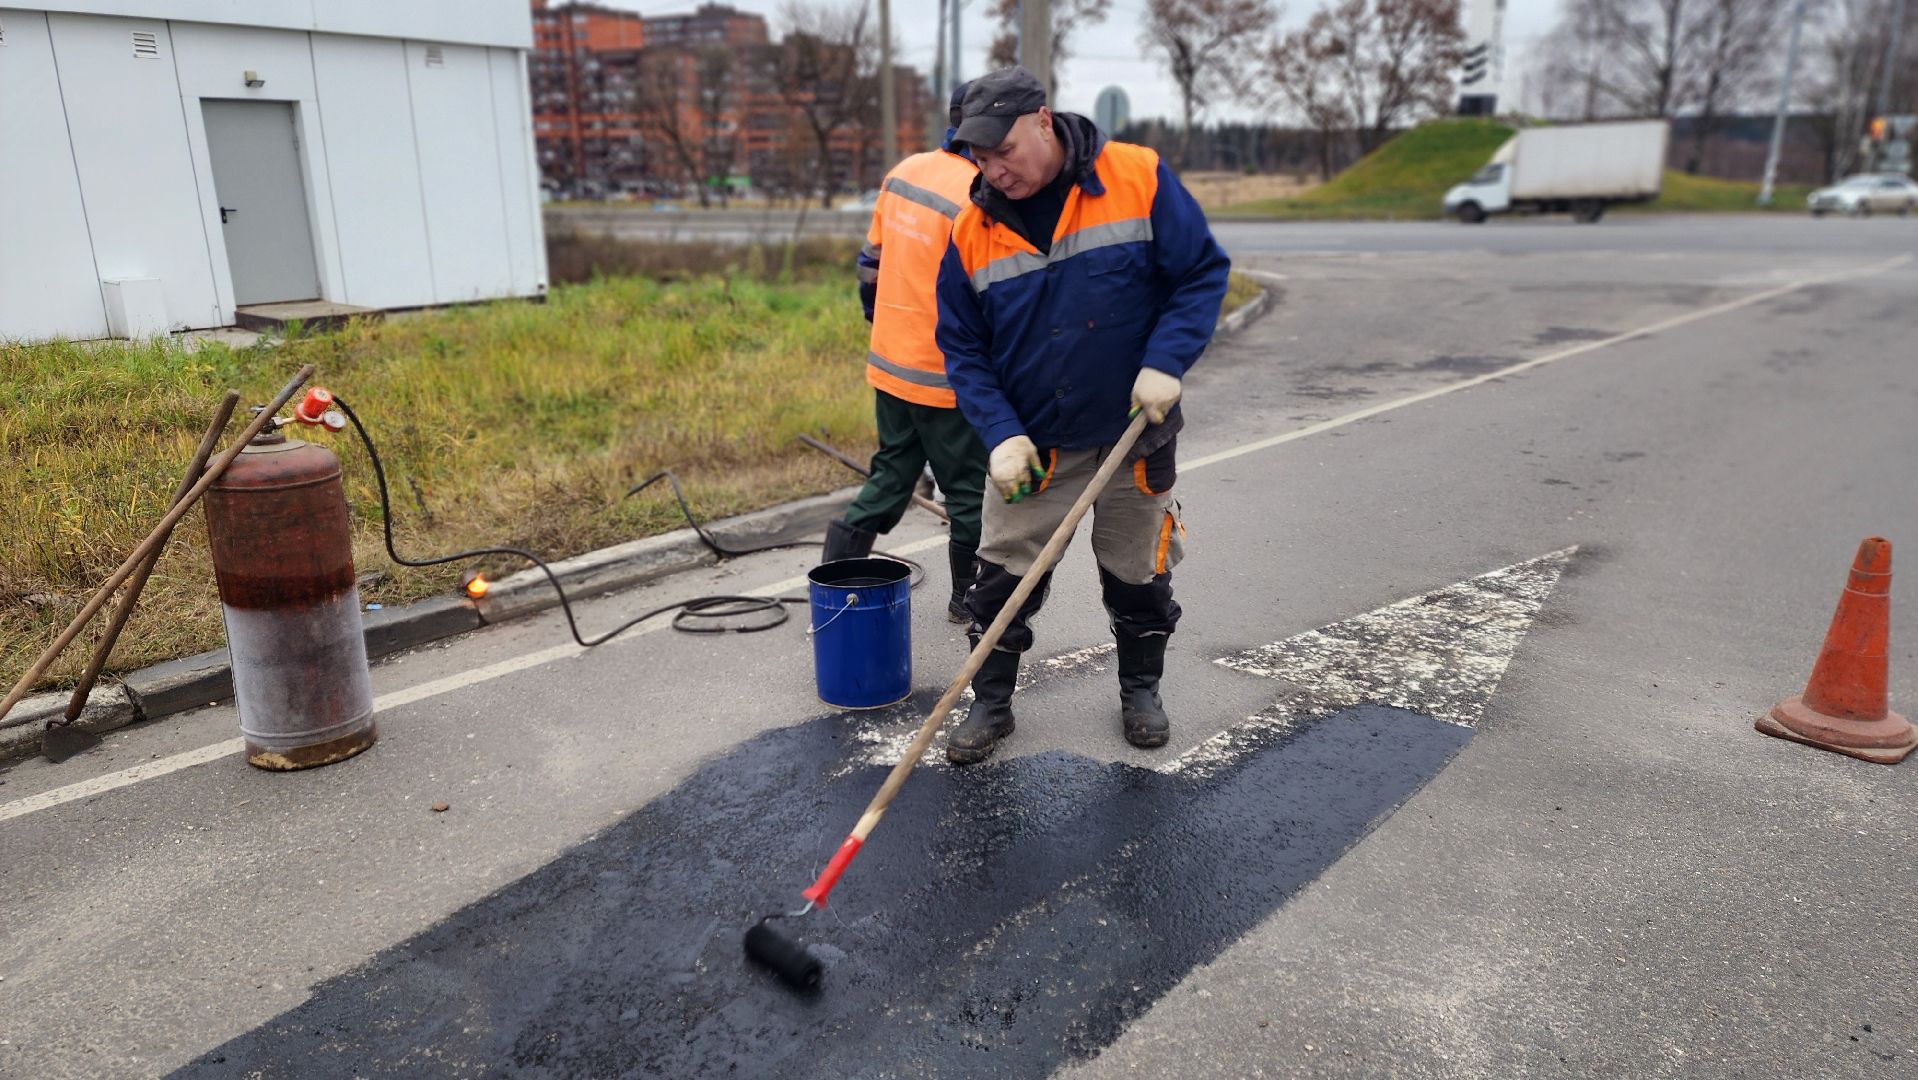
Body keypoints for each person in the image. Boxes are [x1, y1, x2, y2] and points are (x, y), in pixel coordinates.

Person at [933, 66, 1230, 764]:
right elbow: (962, 348)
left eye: (1002, 150)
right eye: (978, 157)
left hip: (1135, 432)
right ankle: (992, 705)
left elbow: (1199, 275)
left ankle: (1141, 690)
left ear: (1042, 119)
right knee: (1002, 578)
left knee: (1138, 573)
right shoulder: (970, 232)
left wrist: (1168, 359)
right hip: (1035, 445)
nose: (992, 169)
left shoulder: (1138, 178)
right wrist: (1001, 435)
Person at [822, 83, 987, 623]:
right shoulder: (980, 193)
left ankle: (830, 591)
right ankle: (967, 600)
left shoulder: (904, 172)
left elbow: (869, 264)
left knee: (890, 475)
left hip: (890, 365)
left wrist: (882, 322)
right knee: (965, 490)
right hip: (945, 375)